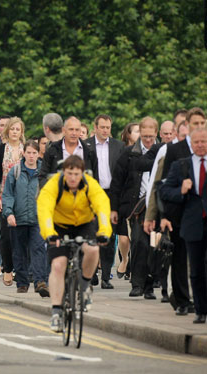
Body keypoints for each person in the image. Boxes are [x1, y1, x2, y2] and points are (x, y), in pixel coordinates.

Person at [37, 155, 111, 332]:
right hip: (59, 226)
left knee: (93, 250)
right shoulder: (54, 184)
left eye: (76, 174)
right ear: (64, 172)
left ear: (82, 173)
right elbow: (44, 208)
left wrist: (104, 232)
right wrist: (49, 234)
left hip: (84, 224)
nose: (72, 178)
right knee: (58, 264)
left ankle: (84, 287)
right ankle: (56, 312)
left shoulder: (90, 184)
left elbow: (102, 206)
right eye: (69, 173)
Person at [160, 128, 207, 323]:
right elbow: (164, 191)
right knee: (195, 270)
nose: (200, 145)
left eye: (204, 141)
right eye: (196, 142)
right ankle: (200, 310)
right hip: (193, 224)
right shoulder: (182, 166)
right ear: (191, 144)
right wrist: (181, 190)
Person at [111, 117, 159, 299]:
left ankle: (151, 284)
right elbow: (117, 182)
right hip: (136, 207)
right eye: (144, 135)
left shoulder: (162, 152)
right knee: (139, 242)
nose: (147, 139)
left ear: (156, 133)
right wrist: (114, 209)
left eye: (150, 136)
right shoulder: (129, 153)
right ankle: (138, 283)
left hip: (158, 205)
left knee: (157, 246)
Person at [2, 140, 49, 296]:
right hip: (18, 218)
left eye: (34, 153)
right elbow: (8, 194)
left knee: (38, 250)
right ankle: (22, 283)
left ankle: (40, 281)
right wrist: (9, 213)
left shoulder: (44, 173)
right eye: (28, 152)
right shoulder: (15, 172)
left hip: (38, 219)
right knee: (19, 251)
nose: (31, 156)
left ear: (38, 154)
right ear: (24, 153)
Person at [83, 114, 125, 289]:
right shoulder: (86, 146)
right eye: (102, 127)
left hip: (111, 194)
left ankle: (106, 275)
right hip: (92, 194)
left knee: (109, 235)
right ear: (96, 127)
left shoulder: (119, 146)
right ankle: (92, 273)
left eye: (108, 127)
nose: (106, 130)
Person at [0, 117, 26, 286]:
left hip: (24, 197)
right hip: (5, 196)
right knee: (6, 236)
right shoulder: (0, 150)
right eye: (12, 129)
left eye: (18, 129)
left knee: (24, 234)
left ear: (22, 132)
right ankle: (8, 268)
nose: (15, 132)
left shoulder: (27, 150)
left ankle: (22, 269)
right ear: (7, 131)